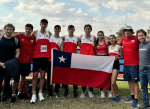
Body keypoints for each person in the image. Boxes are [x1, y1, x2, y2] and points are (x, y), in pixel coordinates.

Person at [30, 19, 52, 103]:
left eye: (45, 24)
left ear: (46, 25)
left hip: (45, 57)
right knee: (35, 75)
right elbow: (28, 38)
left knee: (43, 75)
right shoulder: (35, 32)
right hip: (36, 57)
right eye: (42, 24)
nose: (43, 25)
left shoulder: (49, 34)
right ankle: (33, 94)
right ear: (40, 24)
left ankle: (40, 92)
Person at [13, 24, 36, 99]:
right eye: (27, 29)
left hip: (27, 61)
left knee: (23, 77)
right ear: (25, 29)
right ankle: (13, 93)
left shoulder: (33, 38)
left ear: (32, 30)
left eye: (30, 29)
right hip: (18, 60)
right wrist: (16, 34)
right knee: (16, 77)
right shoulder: (20, 36)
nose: (28, 30)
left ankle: (19, 91)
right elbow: (10, 37)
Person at [0, 23, 20, 103]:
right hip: (1, 63)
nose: (8, 31)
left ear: (13, 31)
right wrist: (1, 63)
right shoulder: (0, 39)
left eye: (10, 29)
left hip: (10, 64)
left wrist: (10, 63)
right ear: (4, 30)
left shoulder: (15, 40)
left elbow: (18, 53)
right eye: (7, 29)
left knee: (7, 81)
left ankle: (5, 95)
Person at [120, 26, 139, 108]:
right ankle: (131, 96)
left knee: (135, 82)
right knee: (129, 81)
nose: (127, 33)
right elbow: (119, 46)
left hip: (135, 64)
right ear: (124, 32)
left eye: (128, 31)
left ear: (132, 32)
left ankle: (136, 100)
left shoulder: (136, 38)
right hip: (126, 64)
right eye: (125, 31)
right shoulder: (123, 39)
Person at [62, 25, 80, 97]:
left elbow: (82, 46)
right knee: (66, 75)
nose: (71, 30)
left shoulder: (77, 38)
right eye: (69, 29)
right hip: (65, 58)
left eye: (72, 29)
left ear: (74, 30)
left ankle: (75, 90)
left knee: (74, 75)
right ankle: (66, 90)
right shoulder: (64, 37)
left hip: (74, 58)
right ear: (67, 30)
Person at [79, 24, 96, 98]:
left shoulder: (94, 37)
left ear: (91, 30)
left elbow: (95, 46)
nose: (87, 30)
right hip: (83, 59)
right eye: (86, 29)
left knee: (90, 76)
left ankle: (90, 91)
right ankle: (83, 91)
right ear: (84, 30)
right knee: (83, 76)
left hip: (91, 59)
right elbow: (80, 45)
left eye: (89, 29)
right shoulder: (80, 37)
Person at [47, 25, 63, 98]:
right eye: (56, 29)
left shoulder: (61, 40)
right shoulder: (50, 37)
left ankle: (56, 91)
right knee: (49, 77)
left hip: (57, 60)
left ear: (60, 30)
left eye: (58, 29)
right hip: (49, 59)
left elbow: (62, 51)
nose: (57, 30)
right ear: (54, 30)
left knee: (57, 76)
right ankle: (49, 92)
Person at [95, 31, 112, 99]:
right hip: (99, 59)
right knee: (100, 76)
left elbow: (113, 46)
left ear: (103, 35)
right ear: (97, 36)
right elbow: (94, 52)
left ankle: (109, 90)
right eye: (99, 35)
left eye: (101, 35)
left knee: (107, 75)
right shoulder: (95, 42)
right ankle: (102, 91)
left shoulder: (107, 41)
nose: (100, 36)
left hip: (106, 60)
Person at [137, 29, 150, 109]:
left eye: (142, 35)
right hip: (141, 70)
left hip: (149, 70)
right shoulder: (139, 45)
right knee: (143, 88)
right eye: (139, 36)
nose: (141, 37)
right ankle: (146, 104)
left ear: (145, 35)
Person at [108, 35, 123, 102]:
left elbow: (122, 57)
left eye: (112, 38)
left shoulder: (119, 47)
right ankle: (114, 95)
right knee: (112, 82)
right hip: (109, 65)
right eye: (110, 39)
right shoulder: (108, 47)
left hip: (116, 65)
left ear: (115, 39)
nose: (111, 40)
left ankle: (116, 95)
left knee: (113, 82)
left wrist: (118, 58)